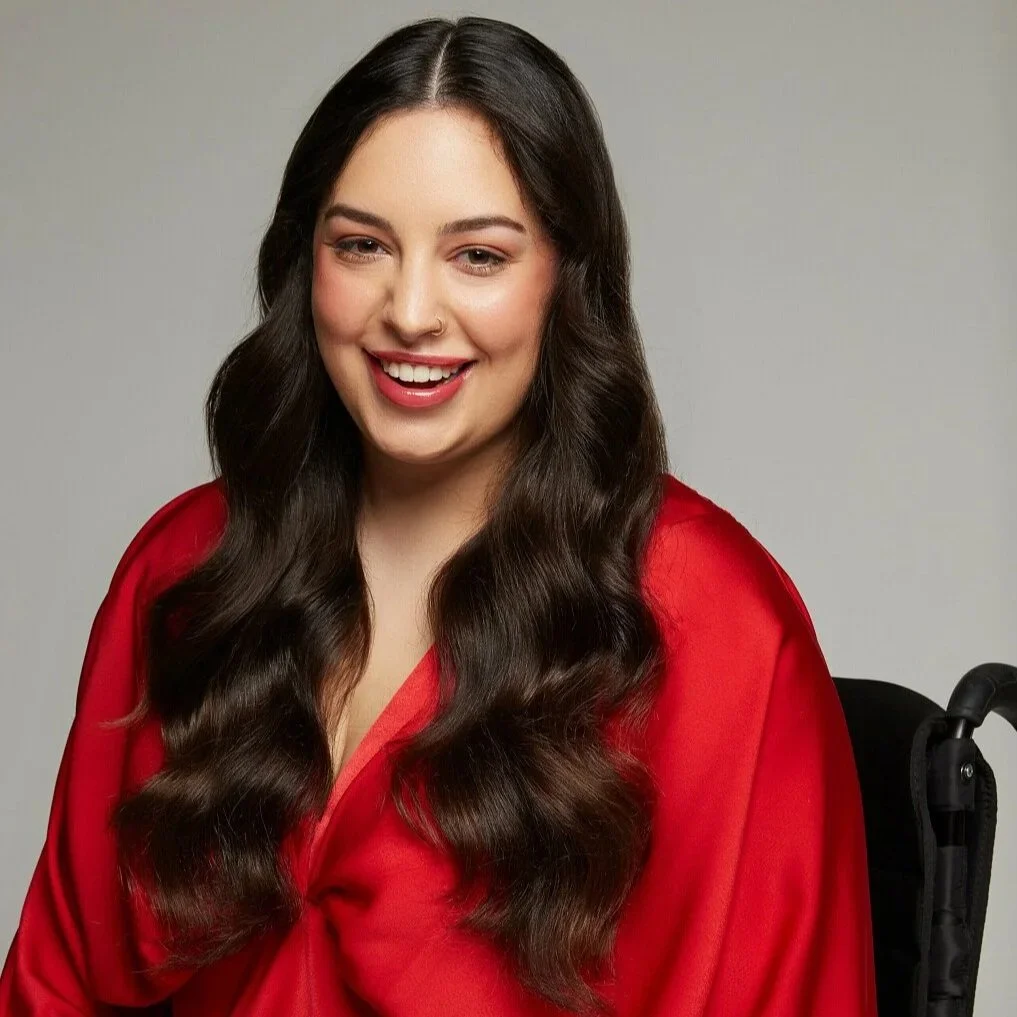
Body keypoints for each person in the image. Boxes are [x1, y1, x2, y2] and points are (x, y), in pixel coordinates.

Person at [0, 15, 877, 1017]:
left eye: (479, 256)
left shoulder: (716, 621)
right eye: (362, 245)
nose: (410, 311)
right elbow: (52, 986)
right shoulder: (187, 568)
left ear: (564, 278)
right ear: (305, 262)